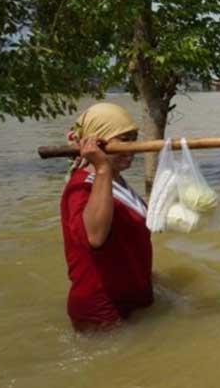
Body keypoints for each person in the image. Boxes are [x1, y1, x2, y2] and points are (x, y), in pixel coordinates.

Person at [60, 103, 153, 331]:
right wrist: (101, 166)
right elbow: (95, 236)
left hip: (131, 300)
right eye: (121, 140)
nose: (130, 148)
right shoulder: (82, 186)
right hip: (103, 313)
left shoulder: (116, 179)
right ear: (98, 143)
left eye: (133, 138)